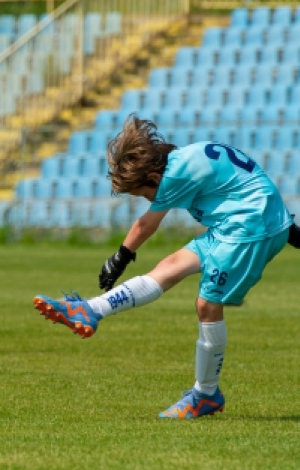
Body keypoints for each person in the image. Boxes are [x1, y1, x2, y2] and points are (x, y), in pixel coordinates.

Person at [33, 114, 300, 419]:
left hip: (248, 227)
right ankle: (90, 310)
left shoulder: (173, 175)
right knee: (170, 266)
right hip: (237, 223)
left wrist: (120, 256)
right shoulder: (182, 159)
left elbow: (146, 224)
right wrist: (288, 229)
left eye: (145, 194)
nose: (149, 199)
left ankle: (206, 394)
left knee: (207, 305)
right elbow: (248, 183)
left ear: (154, 178)